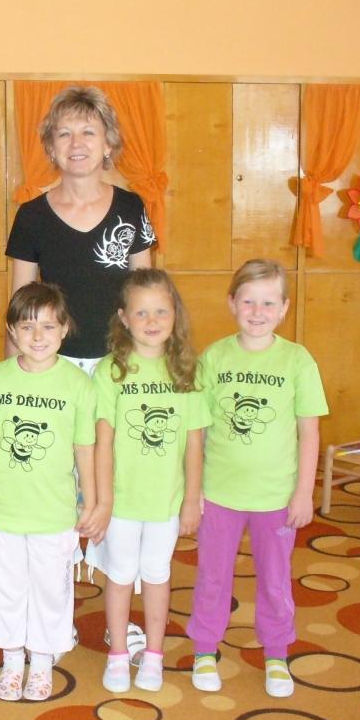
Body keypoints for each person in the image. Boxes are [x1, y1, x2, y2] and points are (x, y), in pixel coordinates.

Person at [187, 259, 328, 698]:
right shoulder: (214, 357)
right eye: (248, 301)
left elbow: (309, 432)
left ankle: (277, 653)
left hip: (276, 497)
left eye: (268, 303)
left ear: (284, 308)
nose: (257, 311)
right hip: (220, 493)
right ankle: (205, 648)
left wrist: (304, 492)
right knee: (212, 575)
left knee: (274, 578)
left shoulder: (297, 360)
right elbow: (197, 430)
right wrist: (194, 489)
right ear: (232, 303)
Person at [84, 269, 210, 694]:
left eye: (161, 311)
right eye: (141, 312)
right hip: (122, 501)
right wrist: (103, 501)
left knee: (157, 573)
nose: (152, 321)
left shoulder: (187, 371)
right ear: (123, 318)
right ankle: (119, 653)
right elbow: (103, 442)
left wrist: (191, 500)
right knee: (120, 575)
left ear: (175, 314)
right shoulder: (110, 371)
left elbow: (194, 444)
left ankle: (154, 654)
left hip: (166, 501)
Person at [0, 282, 103, 702]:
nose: (37, 336)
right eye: (27, 326)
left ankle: (43, 661)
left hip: (54, 511)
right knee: (6, 587)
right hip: (2, 509)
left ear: (64, 329)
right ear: (12, 330)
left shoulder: (78, 385)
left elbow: (85, 448)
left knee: (51, 589)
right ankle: (13, 661)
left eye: (48, 326)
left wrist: (91, 500)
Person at [6, 85, 155, 373]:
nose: (76, 143)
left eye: (88, 132)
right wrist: (14, 375)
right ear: (51, 148)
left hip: (121, 361)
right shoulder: (31, 216)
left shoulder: (131, 207)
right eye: (64, 134)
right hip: (53, 364)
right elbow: (19, 309)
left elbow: (146, 294)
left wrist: (149, 364)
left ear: (107, 144)